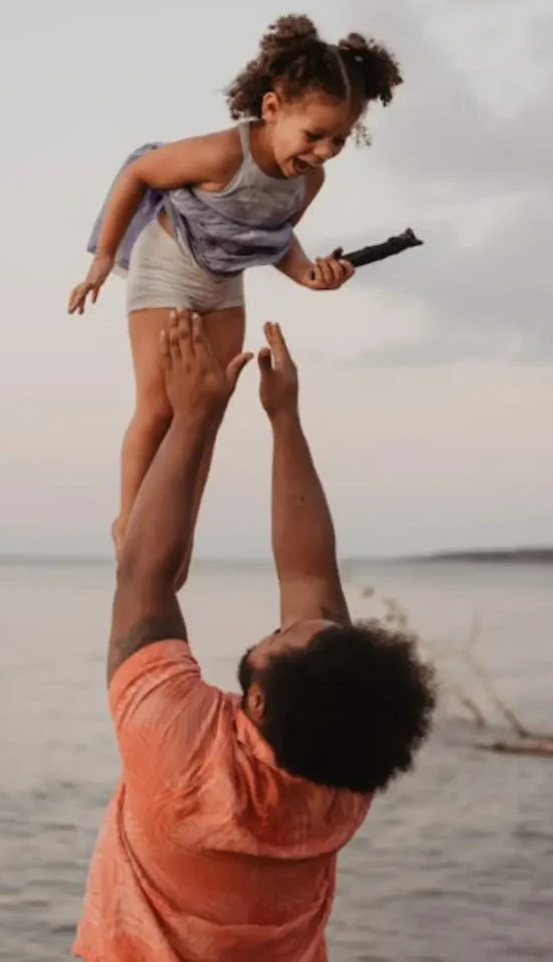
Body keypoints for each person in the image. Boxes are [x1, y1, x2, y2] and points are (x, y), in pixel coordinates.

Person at [72, 311, 436, 962]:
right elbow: (308, 571)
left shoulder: (181, 754)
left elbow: (142, 571)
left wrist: (196, 417)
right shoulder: (343, 771)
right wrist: (283, 419)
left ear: (260, 702)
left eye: (286, 634)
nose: (290, 619)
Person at [67, 14, 404, 584]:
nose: (324, 151)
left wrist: (311, 276)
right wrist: (103, 258)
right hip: (167, 266)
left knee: (206, 411)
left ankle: (176, 533)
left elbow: (274, 239)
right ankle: (130, 524)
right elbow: (139, 173)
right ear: (272, 108)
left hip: (224, 282)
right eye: (314, 134)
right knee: (160, 405)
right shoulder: (225, 153)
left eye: (339, 140)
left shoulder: (308, 181)